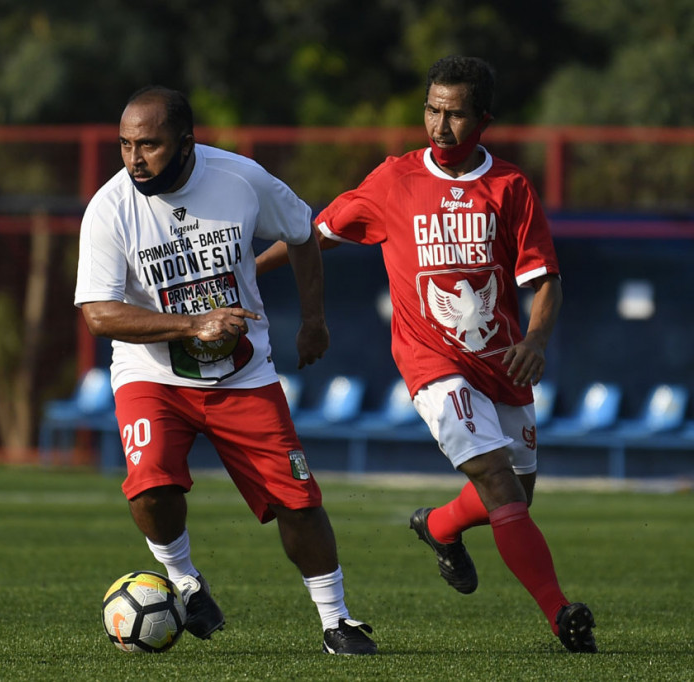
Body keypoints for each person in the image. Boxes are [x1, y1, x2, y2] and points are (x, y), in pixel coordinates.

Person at [257, 56, 596, 653]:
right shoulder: (393, 180)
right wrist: (246, 275)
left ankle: (438, 527)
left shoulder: (509, 186)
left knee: (516, 492)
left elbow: (546, 281)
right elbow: (314, 234)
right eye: (432, 109)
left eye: (455, 113)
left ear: (483, 119)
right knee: (498, 482)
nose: (440, 125)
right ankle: (561, 614)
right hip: (431, 365)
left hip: (502, 366)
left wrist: (535, 341)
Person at [75, 86, 377, 655]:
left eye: (150, 145)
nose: (135, 159)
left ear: (187, 143)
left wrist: (313, 321)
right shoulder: (110, 207)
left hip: (243, 375)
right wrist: (193, 326)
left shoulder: (240, 178)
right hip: (152, 376)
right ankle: (185, 581)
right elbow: (97, 315)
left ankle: (336, 619)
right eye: (125, 145)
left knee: (298, 501)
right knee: (149, 489)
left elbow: (303, 232)